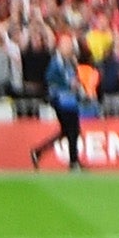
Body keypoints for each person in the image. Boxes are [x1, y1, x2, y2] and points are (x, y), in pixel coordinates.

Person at [30, 26, 84, 170]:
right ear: (61, 47)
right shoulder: (57, 62)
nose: (71, 49)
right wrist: (67, 83)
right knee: (72, 130)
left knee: (68, 131)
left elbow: (74, 78)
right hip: (62, 100)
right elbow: (49, 78)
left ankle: (39, 151)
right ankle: (74, 162)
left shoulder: (68, 62)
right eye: (68, 46)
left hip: (70, 100)